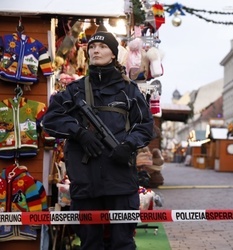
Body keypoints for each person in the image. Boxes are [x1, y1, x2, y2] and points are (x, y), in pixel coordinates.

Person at [42, 31, 154, 250]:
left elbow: (145, 125)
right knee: (90, 243)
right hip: (86, 181)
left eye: (102, 47)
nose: (95, 50)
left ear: (113, 54)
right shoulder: (74, 91)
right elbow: (50, 120)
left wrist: (129, 145)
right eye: (92, 47)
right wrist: (79, 133)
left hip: (121, 179)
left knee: (122, 243)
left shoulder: (128, 91)